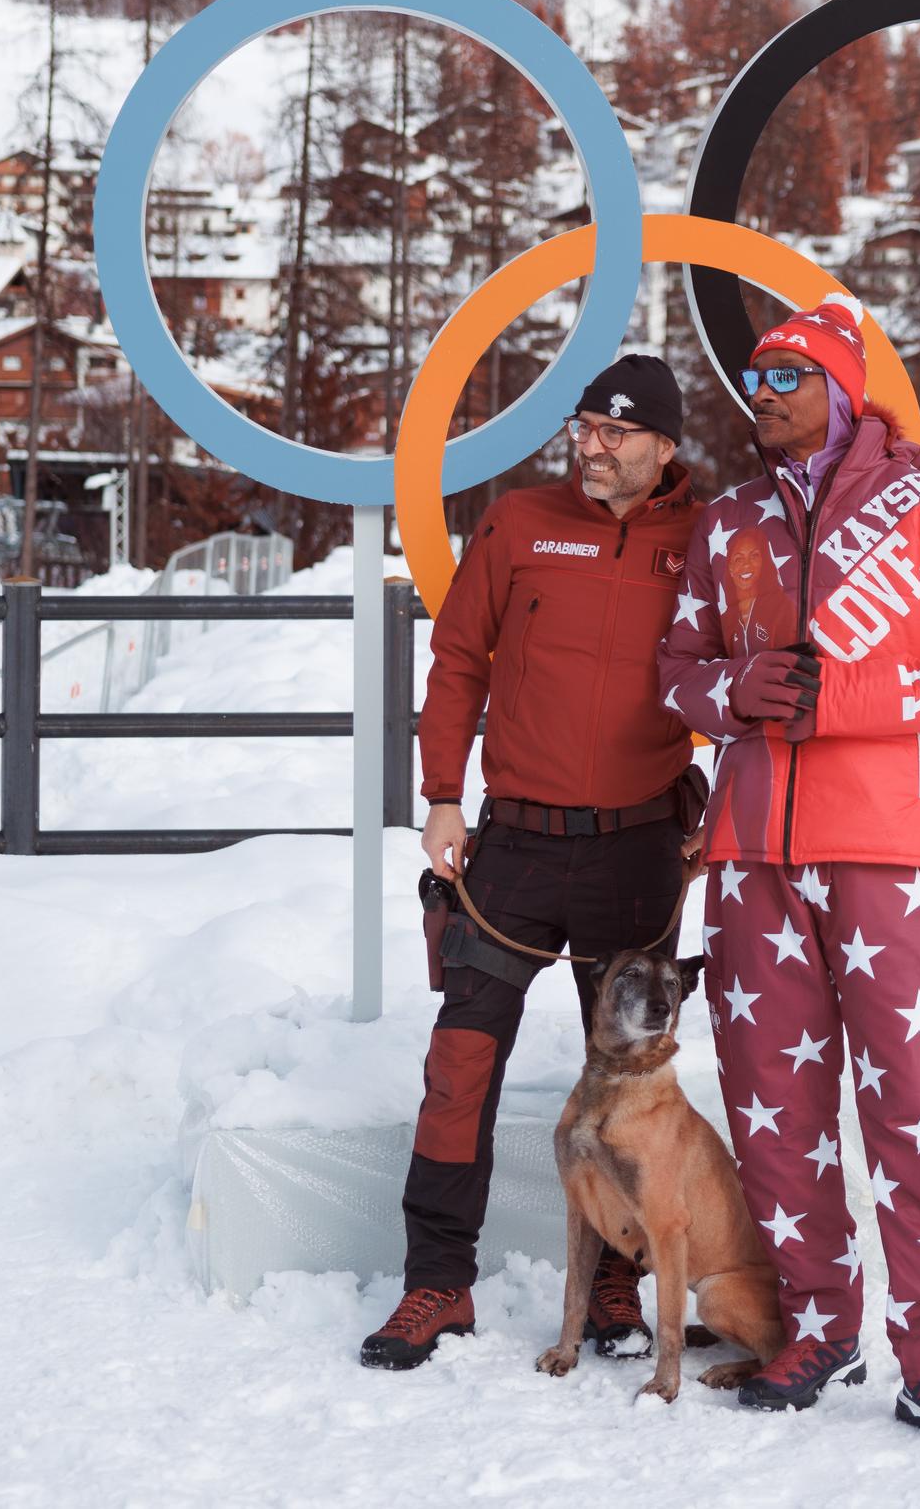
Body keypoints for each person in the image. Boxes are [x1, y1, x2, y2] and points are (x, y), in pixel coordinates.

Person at [658, 296, 920, 1459]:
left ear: (839, 384)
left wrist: (849, 701)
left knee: (911, 1115)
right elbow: (676, 668)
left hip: (890, 856)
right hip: (751, 859)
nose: (759, 396)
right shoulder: (725, 524)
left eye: (782, 377)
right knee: (778, 1116)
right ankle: (821, 1329)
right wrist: (734, 696)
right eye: (753, 381)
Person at [361, 354, 705, 1373]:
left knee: (624, 1086)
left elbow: (742, 672)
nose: (589, 445)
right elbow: (460, 660)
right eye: (583, 424)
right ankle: (437, 1283)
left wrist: (726, 804)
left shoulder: (709, 536)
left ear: (666, 448)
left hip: (639, 848)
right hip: (511, 844)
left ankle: (612, 1278)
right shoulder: (517, 521)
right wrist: (439, 797)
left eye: (615, 432)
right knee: (459, 1064)